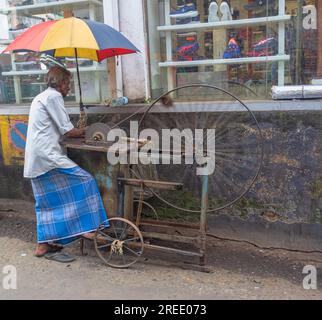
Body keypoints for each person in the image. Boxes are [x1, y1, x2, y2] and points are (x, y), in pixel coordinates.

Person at [24, 66, 109, 262]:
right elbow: (68, 131)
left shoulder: (42, 96)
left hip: (39, 158)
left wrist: (80, 128)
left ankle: (44, 245)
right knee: (86, 181)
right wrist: (87, 129)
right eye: (67, 83)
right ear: (60, 83)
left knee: (48, 202)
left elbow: (62, 128)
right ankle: (88, 228)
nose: (68, 88)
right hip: (47, 157)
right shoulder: (53, 97)